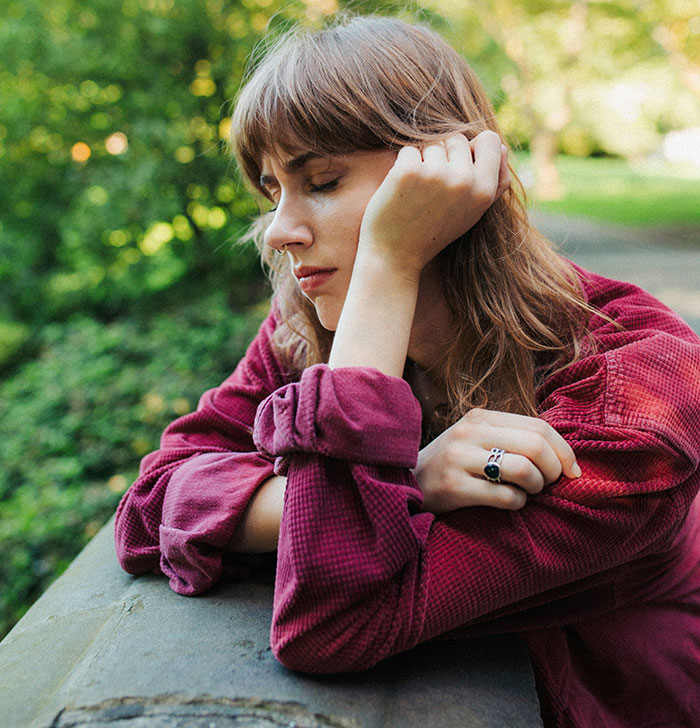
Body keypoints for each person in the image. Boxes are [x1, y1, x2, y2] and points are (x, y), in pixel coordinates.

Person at [114, 15, 700, 728]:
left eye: (322, 181)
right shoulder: (307, 327)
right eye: (273, 194)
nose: (278, 229)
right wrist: (411, 481)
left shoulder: (637, 393)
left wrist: (391, 261)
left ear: (451, 175)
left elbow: (332, 622)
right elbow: (148, 504)